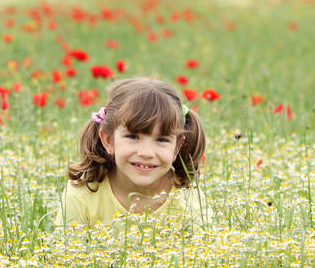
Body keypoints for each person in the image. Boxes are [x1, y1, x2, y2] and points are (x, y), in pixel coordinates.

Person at [56, 77, 210, 231]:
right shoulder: (82, 194)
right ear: (108, 141)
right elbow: (65, 251)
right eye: (132, 137)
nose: (146, 153)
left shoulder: (189, 198)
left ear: (177, 147)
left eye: (162, 139)